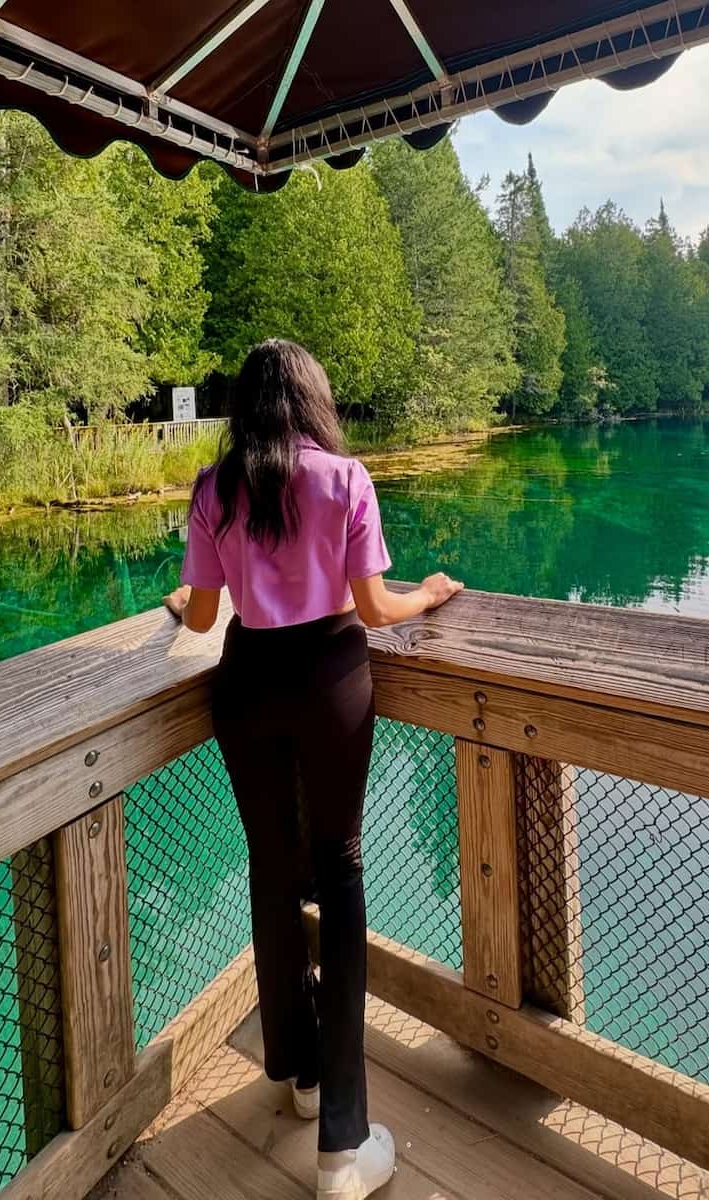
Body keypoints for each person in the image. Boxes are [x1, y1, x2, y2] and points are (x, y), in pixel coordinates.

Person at [164, 339, 463, 1200]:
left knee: (269, 869)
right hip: (330, 679)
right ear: (312, 400)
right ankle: (342, 1148)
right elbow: (375, 607)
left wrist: (187, 601)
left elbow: (205, 619)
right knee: (339, 869)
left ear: (245, 406)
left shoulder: (215, 488)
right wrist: (432, 595)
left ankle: (293, 1078)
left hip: (247, 681)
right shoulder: (344, 478)